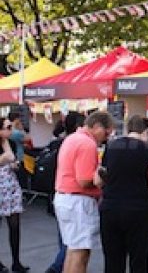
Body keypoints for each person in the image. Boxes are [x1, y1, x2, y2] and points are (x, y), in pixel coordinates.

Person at [95, 116, 148, 273]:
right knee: (138, 262)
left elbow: (98, 180)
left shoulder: (111, 146)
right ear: (146, 131)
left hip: (111, 210)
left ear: (128, 129)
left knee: (113, 262)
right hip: (139, 212)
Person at [53, 111, 113, 273]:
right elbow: (84, 180)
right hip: (79, 202)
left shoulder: (71, 138)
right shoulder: (87, 144)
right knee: (80, 253)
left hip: (65, 198)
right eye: (106, 132)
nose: (106, 137)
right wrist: (103, 178)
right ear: (97, 126)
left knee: (72, 251)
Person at [45, 112, 85, 273]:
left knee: (65, 237)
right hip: (72, 195)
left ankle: (62, 266)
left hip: (58, 192)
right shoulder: (77, 144)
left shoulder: (60, 143)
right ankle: (57, 267)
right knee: (74, 242)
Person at [0, 117, 29, 273]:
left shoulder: (9, 143)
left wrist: (13, 163)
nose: (10, 130)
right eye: (7, 127)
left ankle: (16, 262)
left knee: (15, 225)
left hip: (10, 186)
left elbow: (12, 158)